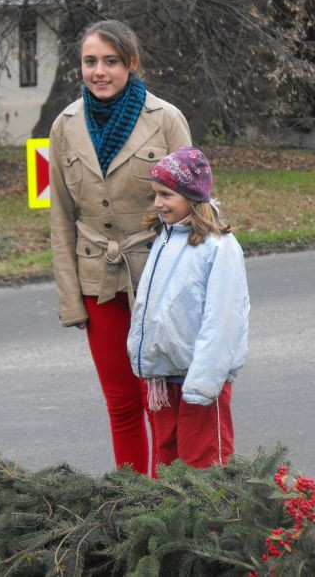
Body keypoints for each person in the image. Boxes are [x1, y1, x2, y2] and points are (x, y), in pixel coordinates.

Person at [49, 19, 191, 476]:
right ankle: (130, 506)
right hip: (98, 280)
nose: (99, 71)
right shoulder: (65, 125)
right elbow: (61, 222)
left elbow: (194, 209)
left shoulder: (165, 119)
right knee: (121, 403)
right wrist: (71, 301)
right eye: (91, 62)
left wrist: (192, 289)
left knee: (161, 400)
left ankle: (166, 503)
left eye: (110, 61)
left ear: (131, 64)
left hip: (158, 277)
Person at [127, 146, 250, 469]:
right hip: (164, 379)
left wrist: (203, 384)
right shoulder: (165, 238)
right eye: (155, 194)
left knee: (203, 464)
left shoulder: (220, 248)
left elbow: (224, 320)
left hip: (200, 382)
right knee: (166, 465)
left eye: (166, 195)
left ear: (192, 196)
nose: (158, 203)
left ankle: (211, 523)